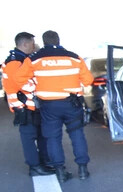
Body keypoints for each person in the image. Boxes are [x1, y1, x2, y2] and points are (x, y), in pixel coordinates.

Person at [16, 30, 93, 182]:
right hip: (72, 104)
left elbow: (18, 78)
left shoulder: (34, 59)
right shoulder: (74, 57)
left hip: (49, 106)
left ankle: (60, 172)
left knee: (53, 138)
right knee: (77, 135)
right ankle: (83, 170)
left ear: (44, 42)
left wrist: (34, 89)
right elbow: (88, 80)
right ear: (58, 41)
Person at [2, 32, 53, 176]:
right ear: (24, 44)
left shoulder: (22, 59)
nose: (34, 46)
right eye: (32, 43)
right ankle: (35, 166)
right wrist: (36, 88)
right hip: (24, 106)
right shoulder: (15, 61)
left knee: (39, 135)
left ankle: (42, 162)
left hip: (28, 105)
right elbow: (18, 83)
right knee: (29, 138)